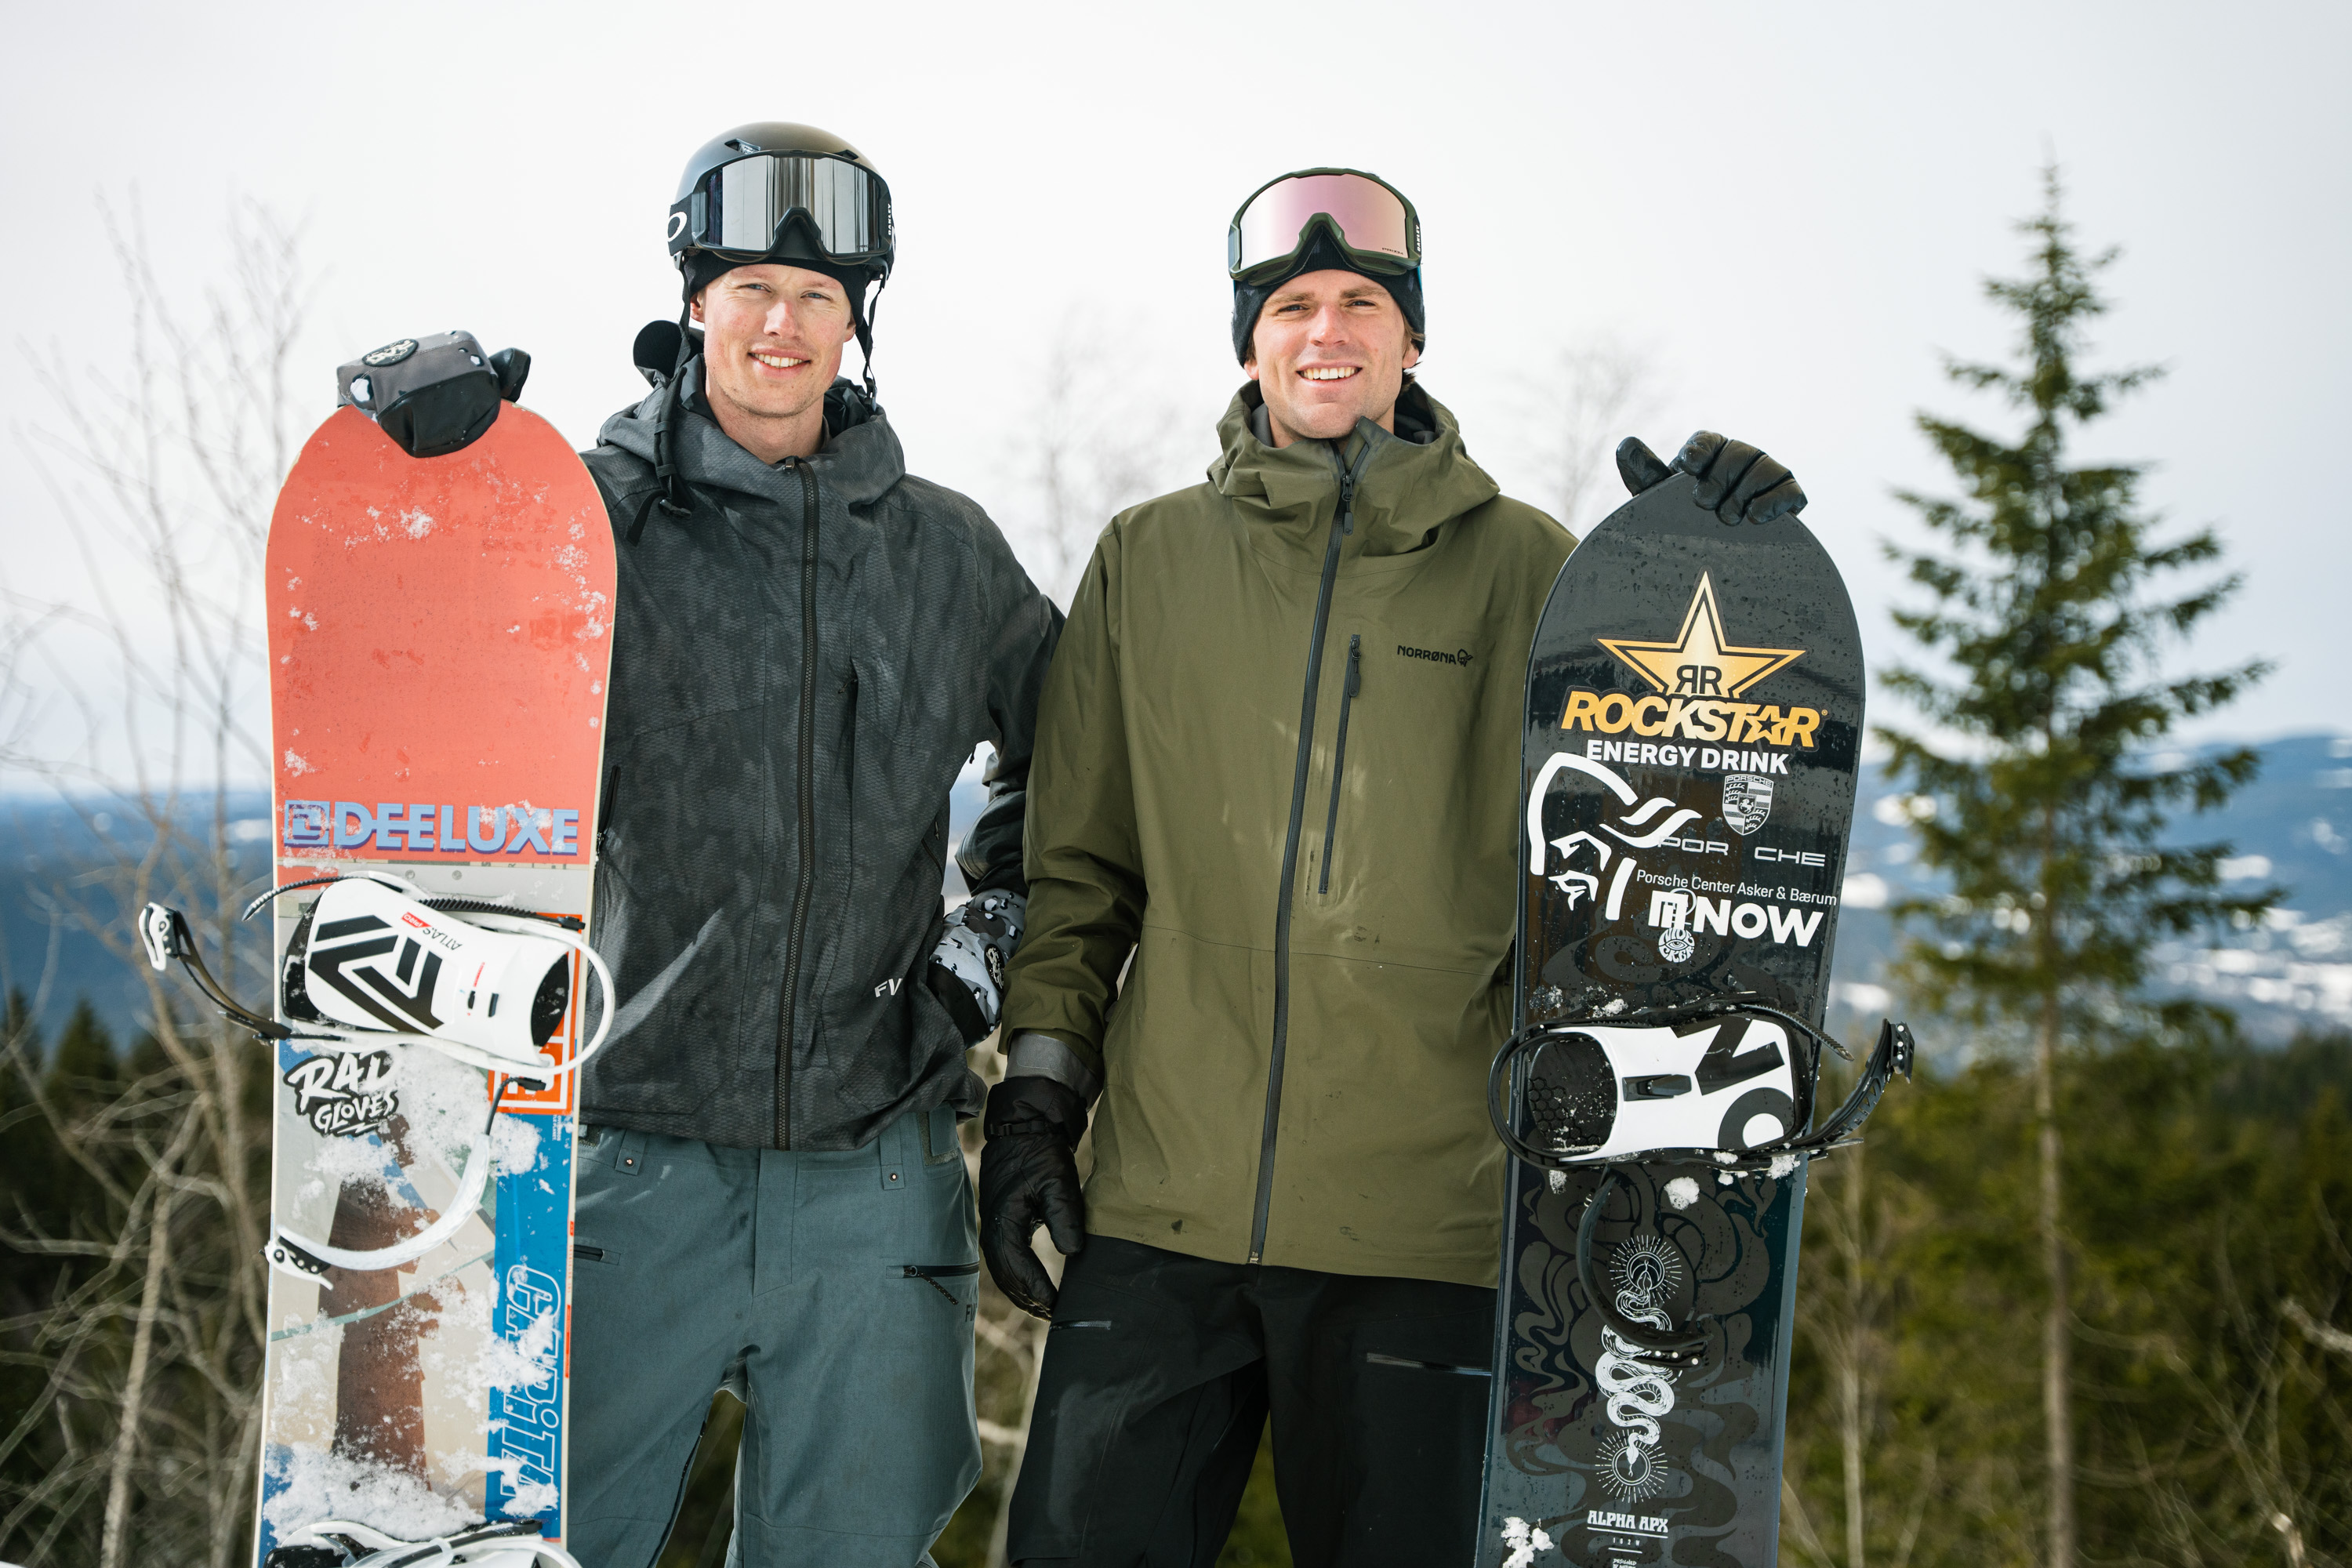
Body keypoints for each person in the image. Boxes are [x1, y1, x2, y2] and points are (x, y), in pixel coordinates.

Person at [979, 167, 1805, 1566]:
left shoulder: (1531, 569)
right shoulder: (1147, 561)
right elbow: (1082, 877)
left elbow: (1653, 846)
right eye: (1291, 306)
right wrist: (1035, 1110)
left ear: (1412, 339)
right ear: (1248, 342)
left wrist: (1715, 573)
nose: (1326, 332)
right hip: (1163, 1210)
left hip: (1424, 1234)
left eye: (1362, 302)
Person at [568, 122, 1062, 1567]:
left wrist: (983, 958)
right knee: (546, 1540)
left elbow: (1079, 779)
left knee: (852, 1548)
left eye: (817, 297)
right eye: (750, 290)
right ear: (695, 299)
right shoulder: (593, 529)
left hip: (874, 1164)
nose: (783, 326)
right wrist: (445, 480)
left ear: (856, 322)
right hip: (631, 1148)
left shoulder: (944, 552)